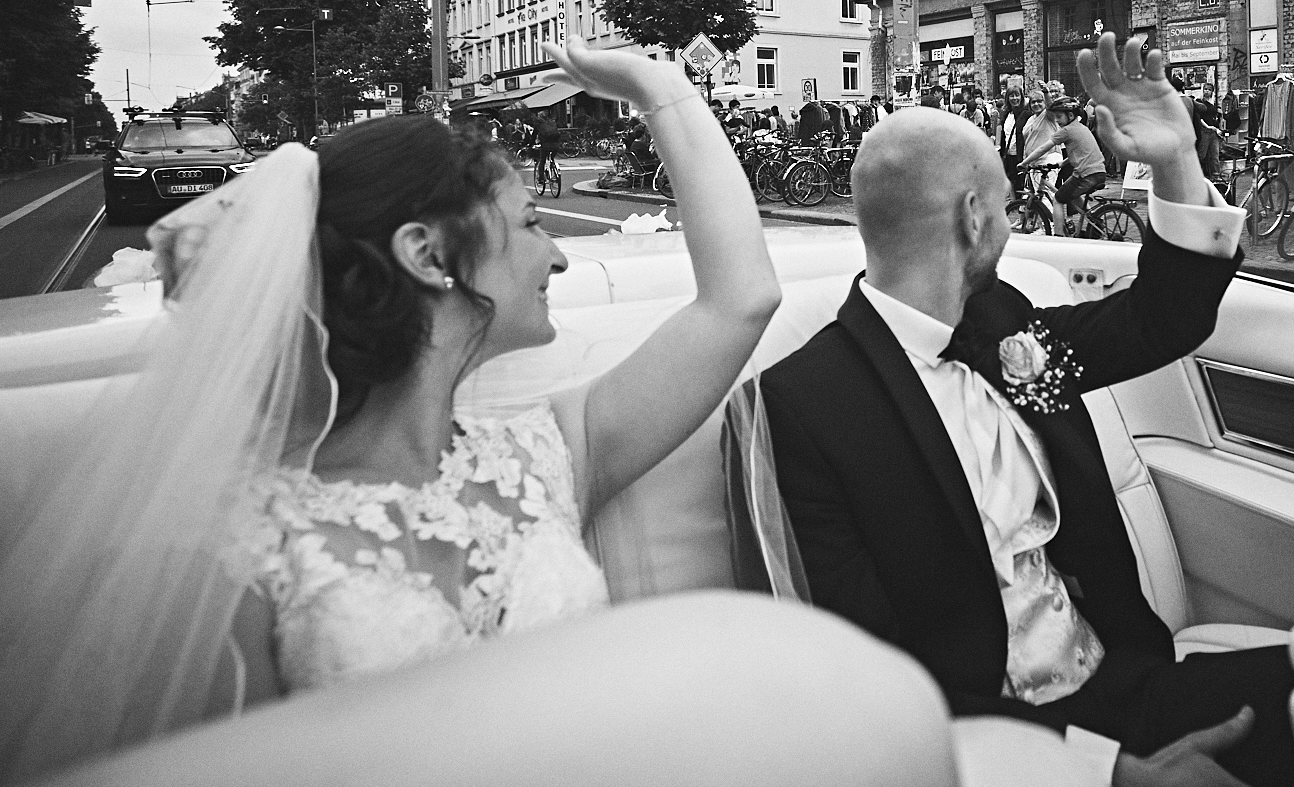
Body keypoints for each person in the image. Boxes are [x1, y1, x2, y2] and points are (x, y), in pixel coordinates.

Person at [0, 41, 782, 781]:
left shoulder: (547, 455)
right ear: (429, 254)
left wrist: (660, 88)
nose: (558, 254)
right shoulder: (236, 555)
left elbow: (740, 300)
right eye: (530, 222)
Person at [760, 33, 1294, 787]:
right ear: (974, 218)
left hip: (1125, 679)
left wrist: (1177, 159)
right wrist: (1107, 773)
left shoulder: (1002, 318)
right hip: (997, 747)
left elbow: (1161, 321)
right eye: (1009, 208)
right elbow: (870, 669)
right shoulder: (807, 404)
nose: (1014, 225)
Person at [1022, 101, 1107, 232]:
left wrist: (1024, 163)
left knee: (1058, 199)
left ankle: (1058, 236)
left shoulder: (1066, 131)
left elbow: (1043, 148)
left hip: (1085, 174)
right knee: (1073, 194)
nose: (1056, 120)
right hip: (1099, 172)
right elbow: (1083, 151)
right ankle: (1096, 223)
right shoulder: (1082, 128)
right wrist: (1063, 163)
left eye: (1059, 116)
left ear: (1070, 115)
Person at [533, 112, 564, 182]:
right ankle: (552, 171)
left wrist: (530, 144)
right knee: (551, 159)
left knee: (542, 160)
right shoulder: (551, 123)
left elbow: (533, 136)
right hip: (555, 145)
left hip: (545, 146)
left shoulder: (539, 124)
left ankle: (541, 178)